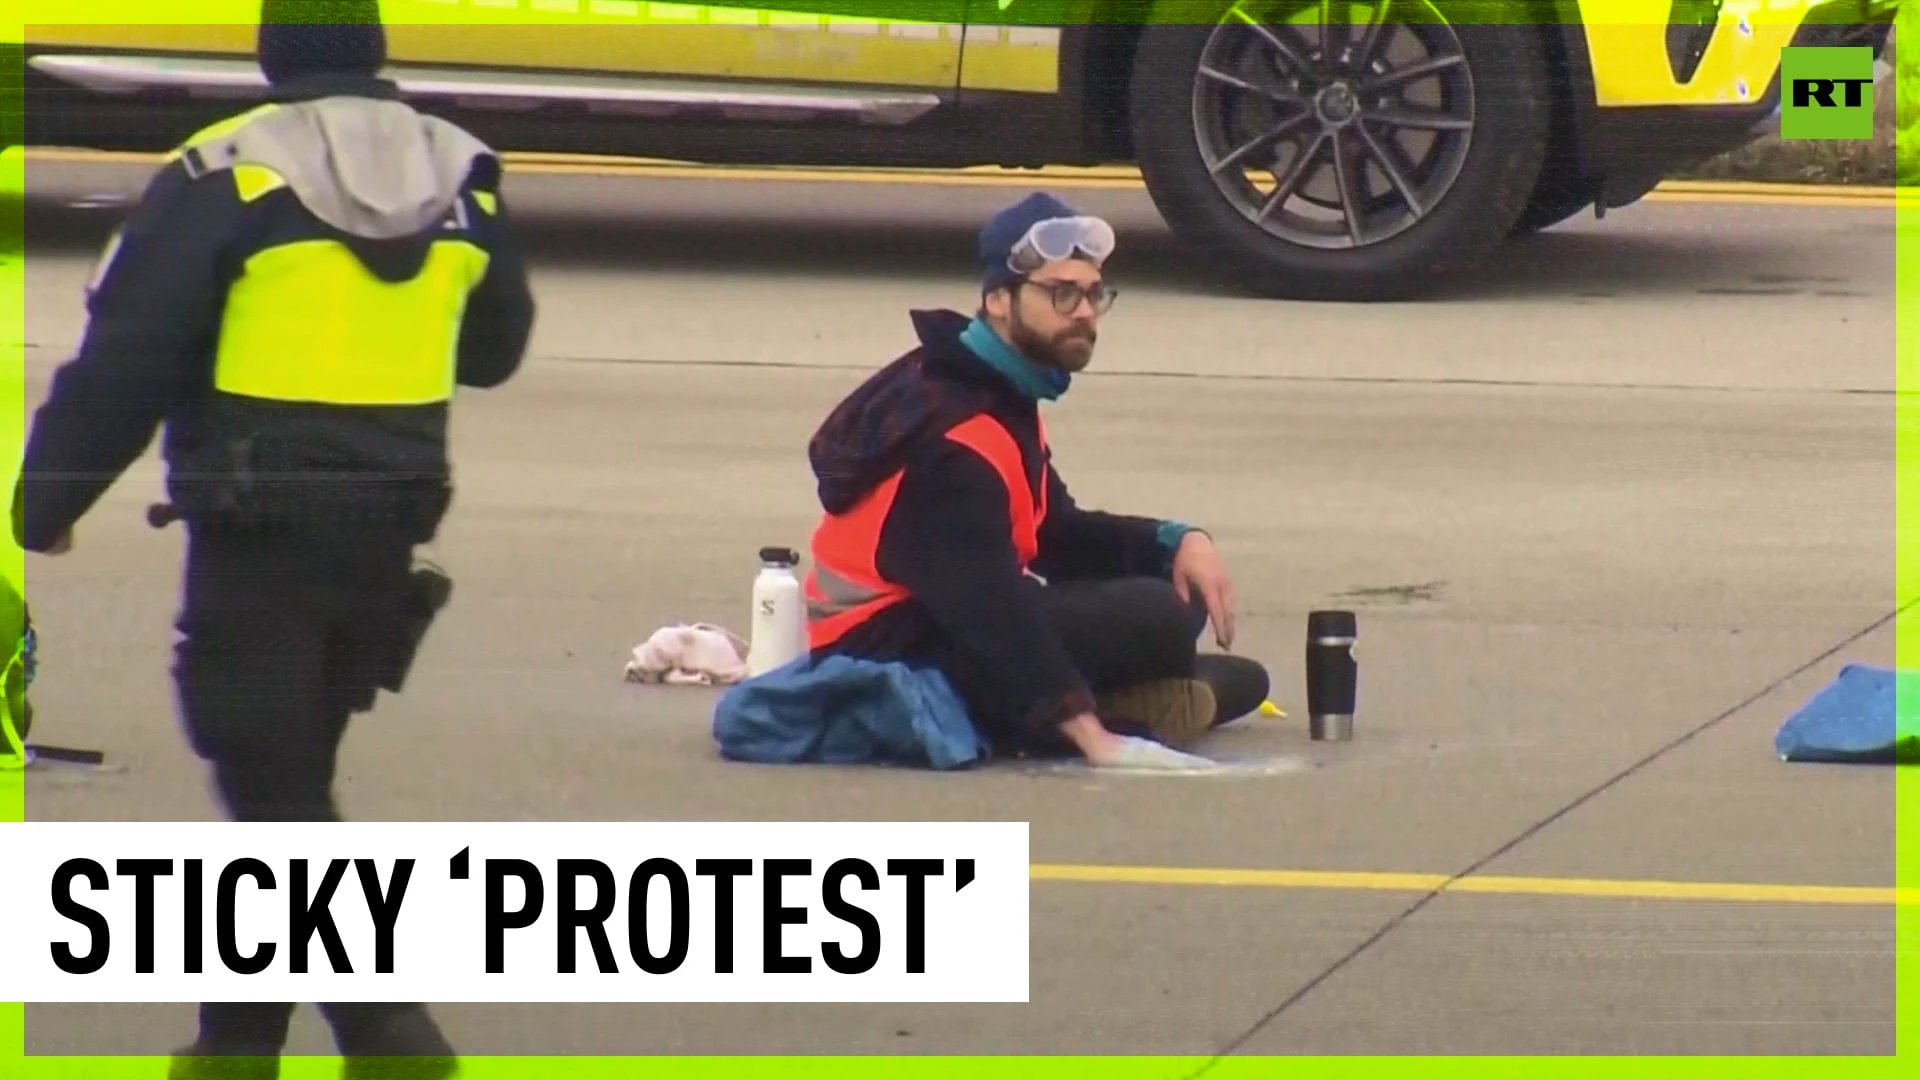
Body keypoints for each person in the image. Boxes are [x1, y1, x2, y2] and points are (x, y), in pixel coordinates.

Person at [11, 1, 535, 1076]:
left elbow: (130, 354)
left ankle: (385, 1025)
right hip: (388, 527)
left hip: (258, 531)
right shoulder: (460, 171)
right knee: (286, 775)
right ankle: (235, 1039)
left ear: (270, 52)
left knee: (269, 785)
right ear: (375, 49)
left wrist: (45, 502)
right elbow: (494, 347)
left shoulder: (227, 169)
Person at [802, 191, 1270, 768]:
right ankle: (1091, 716)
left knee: (1203, 626)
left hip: (948, 620)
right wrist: (1092, 739)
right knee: (1158, 616)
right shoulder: (953, 432)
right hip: (890, 652)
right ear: (998, 300)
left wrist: (1176, 541)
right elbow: (987, 607)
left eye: (1094, 293)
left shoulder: (999, 394)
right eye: (1061, 293)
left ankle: (1121, 703)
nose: (1084, 311)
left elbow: (1052, 532)